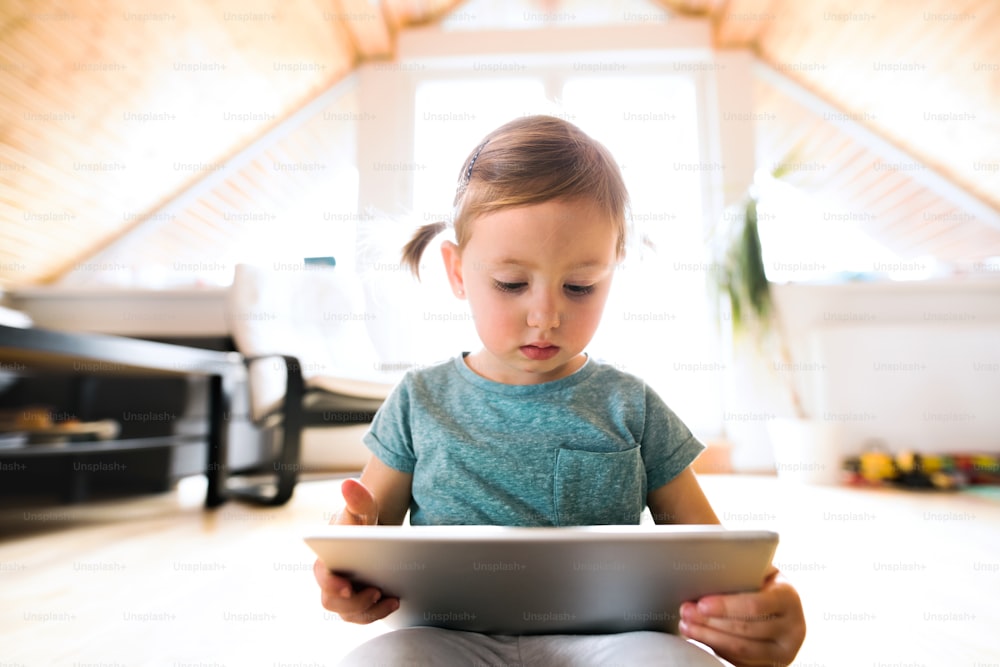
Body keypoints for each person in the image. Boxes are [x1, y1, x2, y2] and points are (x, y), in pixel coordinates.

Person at [313, 115, 806, 666]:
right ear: (457, 272)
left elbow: (718, 564)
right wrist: (347, 577)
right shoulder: (418, 400)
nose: (545, 315)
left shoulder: (631, 406)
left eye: (579, 286)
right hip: (446, 642)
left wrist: (767, 612)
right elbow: (363, 549)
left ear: (613, 270)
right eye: (511, 284)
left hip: (614, 644)